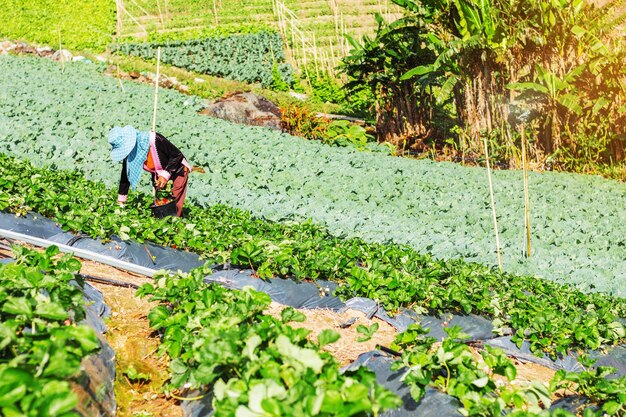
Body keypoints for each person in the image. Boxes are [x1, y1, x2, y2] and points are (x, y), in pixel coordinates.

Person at [108, 125, 191, 217]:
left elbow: (177, 155)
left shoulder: (154, 139)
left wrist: (165, 175)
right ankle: (176, 220)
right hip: (158, 173)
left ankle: (174, 225)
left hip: (177, 168)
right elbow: (126, 175)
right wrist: (121, 200)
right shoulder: (130, 153)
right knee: (162, 201)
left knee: (174, 202)